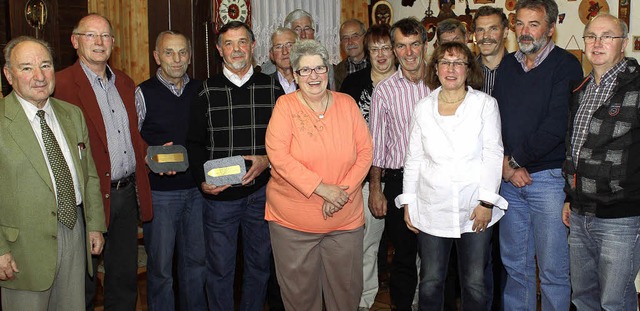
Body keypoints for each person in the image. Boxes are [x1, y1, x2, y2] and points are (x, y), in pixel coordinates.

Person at [397, 41, 507, 311]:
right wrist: (408, 202)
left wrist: (486, 203)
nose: (451, 69)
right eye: (445, 62)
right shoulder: (422, 107)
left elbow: (493, 154)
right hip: (432, 207)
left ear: (469, 70)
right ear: (435, 68)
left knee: (475, 282)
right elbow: (413, 157)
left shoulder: (485, 105)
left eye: (458, 63)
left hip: (474, 209)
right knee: (431, 280)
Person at [54, 13, 153, 310]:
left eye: (105, 36)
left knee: (123, 279)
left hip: (125, 195)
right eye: (90, 35)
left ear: (113, 43)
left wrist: (154, 155)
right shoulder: (60, 85)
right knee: (82, 282)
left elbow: (131, 137)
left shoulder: (124, 82)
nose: (99, 42)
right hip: (85, 200)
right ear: (75, 41)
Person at [265, 38, 373, 311]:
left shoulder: (347, 104)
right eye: (305, 70)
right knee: (301, 301)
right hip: (293, 226)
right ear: (295, 75)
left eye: (320, 68)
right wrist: (323, 188)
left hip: (345, 222)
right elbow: (279, 157)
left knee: (346, 297)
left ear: (329, 70)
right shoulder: (285, 107)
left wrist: (341, 193)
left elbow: (365, 152)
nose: (313, 76)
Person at [0, 36, 106, 310]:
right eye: (26, 68)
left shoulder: (72, 115)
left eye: (45, 65)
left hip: (74, 234)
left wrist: (94, 225)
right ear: (9, 75)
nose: (39, 76)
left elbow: (90, 176)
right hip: (22, 248)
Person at [491, 0, 583, 310]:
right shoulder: (507, 64)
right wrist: (506, 164)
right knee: (516, 268)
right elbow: (495, 119)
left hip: (548, 181)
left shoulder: (566, 65)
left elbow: (557, 125)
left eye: (534, 24)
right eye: (520, 24)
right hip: (509, 183)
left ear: (551, 28)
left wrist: (514, 161)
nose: (525, 31)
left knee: (554, 270)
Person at [186, 21, 283, 311]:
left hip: (262, 195)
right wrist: (201, 182)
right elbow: (194, 143)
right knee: (219, 270)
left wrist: (267, 160)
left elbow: (286, 142)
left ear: (253, 46)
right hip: (220, 198)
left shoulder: (272, 89)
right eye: (229, 43)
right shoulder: (205, 90)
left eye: (242, 42)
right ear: (219, 50)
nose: (236, 49)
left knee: (259, 267)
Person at [563, 13, 640, 311]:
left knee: (615, 302)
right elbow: (574, 150)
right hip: (580, 214)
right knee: (583, 300)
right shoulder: (579, 90)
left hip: (621, 218)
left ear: (622, 44)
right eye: (591, 36)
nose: (597, 43)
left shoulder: (636, 86)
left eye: (607, 36)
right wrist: (569, 197)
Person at [135, 30, 206, 311]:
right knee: (161, 270)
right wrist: (147, 157)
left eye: (182, 52)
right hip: (161, 195)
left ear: (190, 56)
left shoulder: (201, 90)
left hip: (198, 193)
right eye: (169, 52)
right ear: (156, 56)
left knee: (196, 265)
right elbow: (131, 140)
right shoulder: (142, 93)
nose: (176, 59)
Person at [369, 17, 431, 311]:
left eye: (414, 44)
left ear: (424, 45)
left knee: (438, 259)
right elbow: (377, 146)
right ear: (394, 50)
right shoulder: (385, 91)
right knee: (404, 259)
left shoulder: (441, 82)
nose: (408, 53)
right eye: (401, 46)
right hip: (397, 182)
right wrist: (375, 189)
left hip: (437, 182)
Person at [340, 23, 396, 311]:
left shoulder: (408, 82)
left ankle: (412, 299)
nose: (381, 54)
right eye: (375, 49)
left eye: (386, 48)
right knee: (366, 245)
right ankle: (363, 301)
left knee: (409, 247)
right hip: (362, 179)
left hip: (400, 178)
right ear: (367, 51)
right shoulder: (352, 84)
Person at [472, 6, 509, 96]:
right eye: (480, 30)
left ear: (505, 32)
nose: (485, 36)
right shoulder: (466, 71)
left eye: (493, 29)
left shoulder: (520, 70)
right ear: (475, 35)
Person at [335, 19, 369, 91]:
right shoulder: (337, 71)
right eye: (345, 38)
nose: (350, 42)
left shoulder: (377, 64)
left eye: (355, 36)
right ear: (341, 43)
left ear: (365, 37)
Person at [269, 27, 298, 94]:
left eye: (289, 45)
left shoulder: (309, 81)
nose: (285, 52)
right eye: (278, 47)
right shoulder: (265, 83)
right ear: (271, 54)